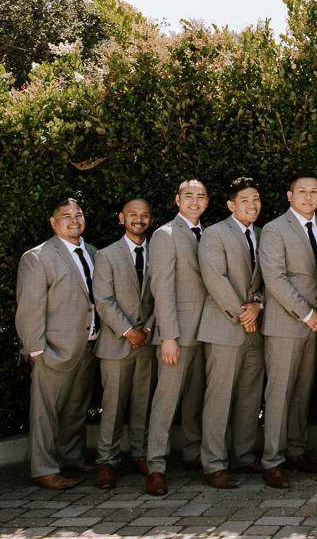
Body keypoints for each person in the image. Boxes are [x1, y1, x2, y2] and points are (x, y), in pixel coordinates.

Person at [257, 172, 317, 487]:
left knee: (303, 390)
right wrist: (306, 314)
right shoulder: (274, 229)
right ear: (290, 196)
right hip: (286, 324)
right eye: (301, 191)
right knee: (279, 393)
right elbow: (275, 278)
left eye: (314, 191)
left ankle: (295, 450)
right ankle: (272, 461)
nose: (308, 196)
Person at [15, 197, 100, 489]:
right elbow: (29, 308)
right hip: (53, 350)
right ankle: (44, 468)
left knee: (77, 408)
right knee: (46, 412)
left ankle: (71, 457)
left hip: (88, 345)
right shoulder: (38, 257)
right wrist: (37, 351)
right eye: (67, 216)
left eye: (78, 215)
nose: (74, 220)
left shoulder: (93, 253)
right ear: (54, 223)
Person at [196, 177, 266, 488]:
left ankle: (244, 455)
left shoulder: (263, 235)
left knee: (250, 396)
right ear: (230, 205)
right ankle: (213, 464)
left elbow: (267, 279)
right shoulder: (214, 234)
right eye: (245, 200)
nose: (252, 205)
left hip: (256, 328)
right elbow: (215, 279)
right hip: (224, 327)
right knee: (219, 397)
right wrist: (242, 313)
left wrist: (258, 305)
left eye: (256, 199)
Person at [144, 180, 210, 495]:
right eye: (189, 196)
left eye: (201, 197)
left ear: (207, 202)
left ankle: (192, 452)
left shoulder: (208, 233)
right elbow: (161, 287)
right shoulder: (165, 235)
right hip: (177, 334)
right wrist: (168, 335)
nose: (195, 201)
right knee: (166, 401)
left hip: (205, 331)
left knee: (195, 398)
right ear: (178, 200)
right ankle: (155, 466)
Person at [91, 198, 155, 489]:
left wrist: (148, 329)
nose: (139, 219)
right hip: (117, 343)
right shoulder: (106, 255)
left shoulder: (158, 252)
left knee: (143, 403)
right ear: (121, 218)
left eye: (144, 215)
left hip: (148, 342)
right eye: (133, 215)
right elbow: (103, 301)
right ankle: (107, 461)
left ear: (150, 219)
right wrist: (129, 332)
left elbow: (163, 295)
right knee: (113, 406)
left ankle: (140, 454)